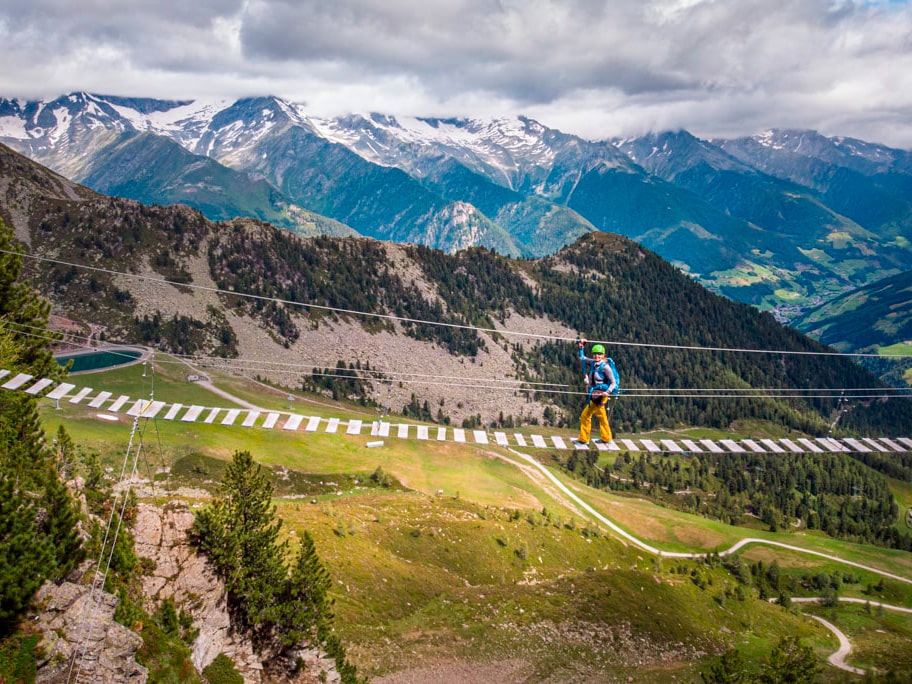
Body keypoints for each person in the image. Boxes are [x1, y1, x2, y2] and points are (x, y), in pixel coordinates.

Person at [575, 339, 617, 444]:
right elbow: (582, 359)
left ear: (603, 355)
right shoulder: (593, 363)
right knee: (601, 416)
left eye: (599, 354)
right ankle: (606, 438)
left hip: (601, 394)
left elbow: (613, 382)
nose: (596, 356)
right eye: (595, 354)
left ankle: (584, 439)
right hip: (596, 393)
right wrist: (581, 347)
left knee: (586, 415)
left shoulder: (605, 367)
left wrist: (607, 392)